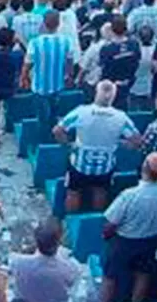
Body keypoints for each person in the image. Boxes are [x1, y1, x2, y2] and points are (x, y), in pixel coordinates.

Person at [98, 152, 157, 302]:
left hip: (124, 241)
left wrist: (106, 235)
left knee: (110, 276)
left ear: (144, 168)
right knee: (143, 275)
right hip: (150, 239)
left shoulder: (130, 195)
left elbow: (111, 223)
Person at [53, 80, 142, 213]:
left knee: (73, 192)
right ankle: (95, 220)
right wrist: (122, 145)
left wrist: (67, 145)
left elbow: (57, 130)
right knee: (100, 192)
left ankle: (71, 222)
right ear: (113, 97)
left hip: (80, 164)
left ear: (96, 93)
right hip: (105, 166)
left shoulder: (81, 112)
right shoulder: (121, 118)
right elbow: (137, 141)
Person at [8, 219, 78, 302]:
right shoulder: (69, 267)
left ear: (35, 239)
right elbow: (71, 282)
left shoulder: (18, 262)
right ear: (59, 242)